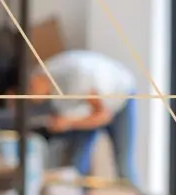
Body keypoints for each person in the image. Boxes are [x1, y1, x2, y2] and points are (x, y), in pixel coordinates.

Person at [26, 49, 139, 185]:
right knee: (78, 163)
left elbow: (103, 116)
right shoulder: (47, 77)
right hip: (88, 108)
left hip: (120, 95)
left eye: (30, 90)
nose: (31, 97)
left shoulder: (79, 77)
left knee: (123, 165)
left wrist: (67, 122)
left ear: (35, 81)